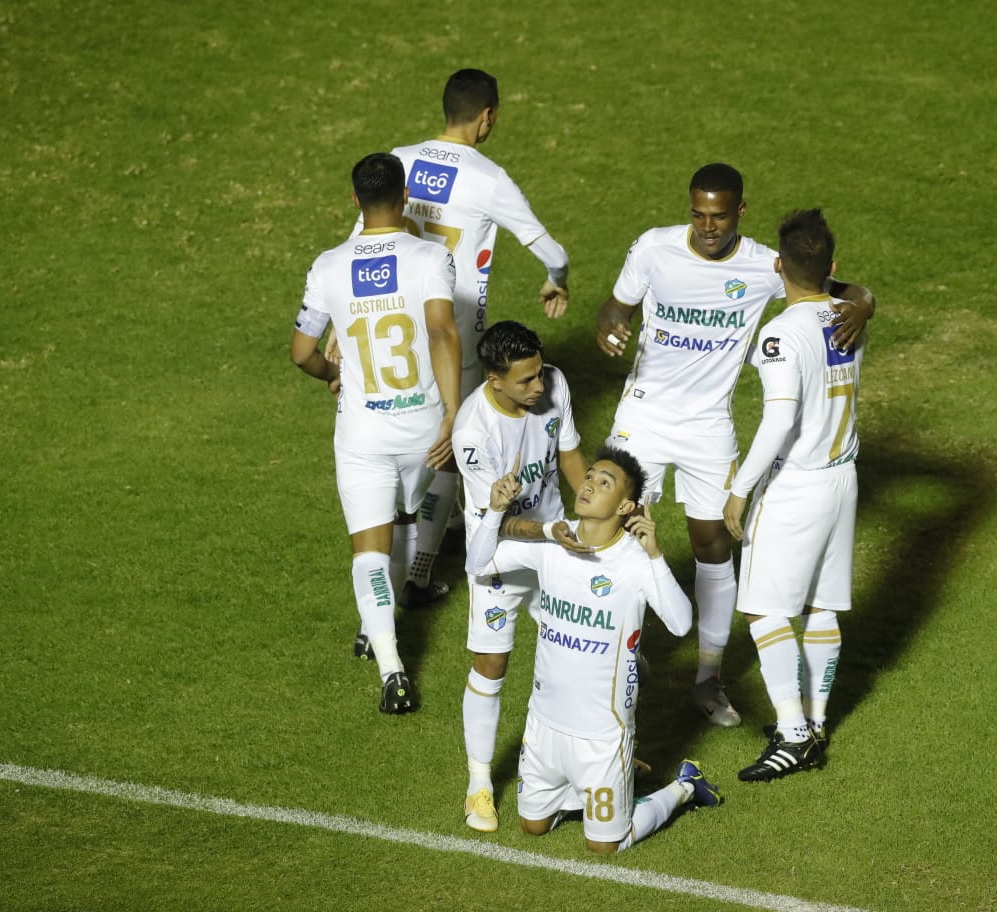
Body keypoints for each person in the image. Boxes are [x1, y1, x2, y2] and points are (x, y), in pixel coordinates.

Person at [594, 163, 874, 728]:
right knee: (612, 529)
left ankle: (707, 678)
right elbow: (616, 307)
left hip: (708, 426)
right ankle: (619, 655)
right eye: (697, 213)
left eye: (718, 215)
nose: (706, 225)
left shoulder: (766, 265)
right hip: (643, 414)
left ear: (739, 212)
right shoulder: (655, 248)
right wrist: (609, 326)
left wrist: (864, 304)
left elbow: (835, 287)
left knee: (713, 546)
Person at [342, 68, 571, 610]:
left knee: (395, 443)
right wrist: (556, 281)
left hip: (390, 324)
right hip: (454, 334)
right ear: (487, 116)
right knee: (449, 445)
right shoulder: (489, 178)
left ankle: (392, 554)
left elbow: (361, 237)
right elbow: (553, 251)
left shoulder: (399, 159)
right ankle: (419, 571)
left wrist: (333, 328)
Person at [465, 447, 723, 852]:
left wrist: (655, 553)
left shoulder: (634, 561)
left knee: (605, 846)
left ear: (625, 505)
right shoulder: (554, 539)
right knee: (533, 827)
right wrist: (495, 512)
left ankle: (685, 787)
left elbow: (680, 623)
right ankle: (599, 788)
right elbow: (478, 565)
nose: (588, 485)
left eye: (605, 482)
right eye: (590, 476)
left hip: (603, 735)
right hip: (544, 726)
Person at [291, 152, 461, 715]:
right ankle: (400, 596)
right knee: (412, 512)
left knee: (369, 548)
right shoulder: (430, 257)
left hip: (362, 432)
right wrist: (453, 412)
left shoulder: (327, 265)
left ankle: (390, 666)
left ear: (353, 201)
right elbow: (441, 331)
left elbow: (301, 353)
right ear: (406, 193)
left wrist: (334, 373)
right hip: (422, 427)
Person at [722, 209, 864, 780]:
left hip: (797, 488)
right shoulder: (850, 315)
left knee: (763, 608)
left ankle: (794, 734)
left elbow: (778, 421)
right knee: (820, 604)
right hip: (843, 478)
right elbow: (856, 293)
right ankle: (817, 718)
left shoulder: (781, 334)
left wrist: (739, 490)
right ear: (831, 267)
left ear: (779, 265)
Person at [452, 320, 589, 833]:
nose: (540, 387)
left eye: (539, 373)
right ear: (495, 381)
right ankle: (479, 786)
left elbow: (569, 452)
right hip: (502, 555)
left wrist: (592, 516)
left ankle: (589, 764)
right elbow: (500, 521)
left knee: (580, 645)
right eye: (526, 381)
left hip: (554, 541)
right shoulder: (473, 434)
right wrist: (553, 531)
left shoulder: (552, 382)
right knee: (492, 662)